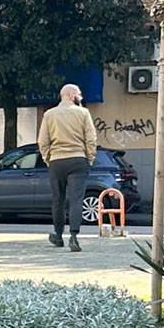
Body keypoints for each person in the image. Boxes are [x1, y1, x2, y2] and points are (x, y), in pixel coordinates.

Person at [37, 81, 99, 253]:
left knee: (58, 199)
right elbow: (91, 139)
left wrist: (48, 158)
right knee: (76, 199)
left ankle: (57, 235)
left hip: (57, 161)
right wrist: (90, 158)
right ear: (71, 95)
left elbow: (43, 141)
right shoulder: (83, 113)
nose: (80, 97)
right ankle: (74, 236)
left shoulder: (49, 115)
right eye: (79, 94)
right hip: (78, 160)